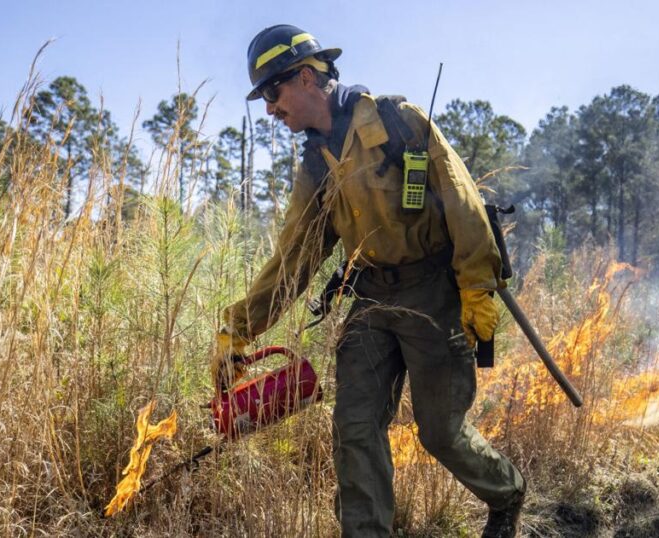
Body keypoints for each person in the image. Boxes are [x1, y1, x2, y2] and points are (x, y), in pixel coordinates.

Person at [213, 24, 526, 537]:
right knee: (355, 428)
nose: (269, 108)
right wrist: (241, 326)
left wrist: (475, 287)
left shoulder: (398, 122)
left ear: (308, 77)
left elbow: (464, 202)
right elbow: (295, 255)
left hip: (434, 293)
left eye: (273, 91)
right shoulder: (316, 163)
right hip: (372, 297)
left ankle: (506, 491)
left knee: (441, 432)